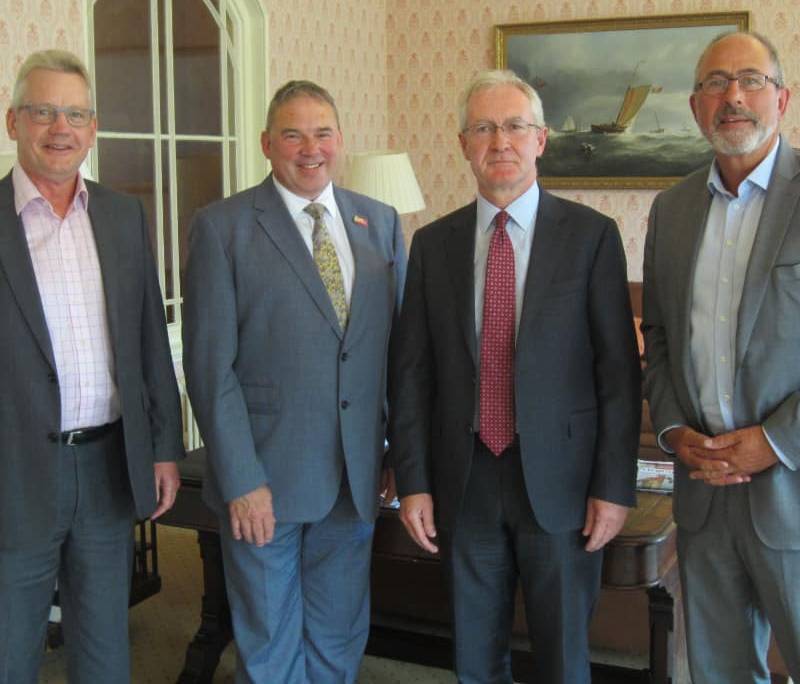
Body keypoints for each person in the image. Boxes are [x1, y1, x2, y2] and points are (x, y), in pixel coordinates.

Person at [389, 69, 641, 683]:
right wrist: (415, 482)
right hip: (465, 478)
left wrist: (614, 486)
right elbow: (413, 375)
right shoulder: (432, 244)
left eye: (514, 126)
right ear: (463, 144)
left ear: (541, 139)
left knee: (561, 656)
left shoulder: (591, 237)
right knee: (475, 654)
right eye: (484, 127)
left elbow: (618, 372)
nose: (499, 140)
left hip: (561, 483)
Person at [182, 80, 407, 683]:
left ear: (340, 139)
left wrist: (397, 454)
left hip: (355, 476)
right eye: (293, 134)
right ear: (266, 144)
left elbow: (398, 356)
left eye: (323, 132)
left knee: (339, 633)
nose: (311, 148)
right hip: (266, 480)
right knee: (269, 641)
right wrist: (241, 479)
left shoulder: (379, 222)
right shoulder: (221, 227)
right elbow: (210, 369)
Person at [0, 49, 184, 684]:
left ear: (93, 127)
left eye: (75, 113)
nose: (61, 128)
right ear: (12, 121)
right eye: (44, 111)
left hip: (107, 466)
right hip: (15, 471)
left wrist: (164, 448)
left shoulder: (122, 214)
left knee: (105, 646)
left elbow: (148, 343)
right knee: (10, 647)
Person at [642, 31, 800, 683]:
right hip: (703, 495)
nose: (731, 96)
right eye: (713, 83)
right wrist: (676, 431)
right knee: (721, 673)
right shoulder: (672, 210)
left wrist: (775, 440)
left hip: (792, 487)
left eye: (749, 80)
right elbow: (659, 341)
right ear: (694, 105)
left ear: (782, 99)